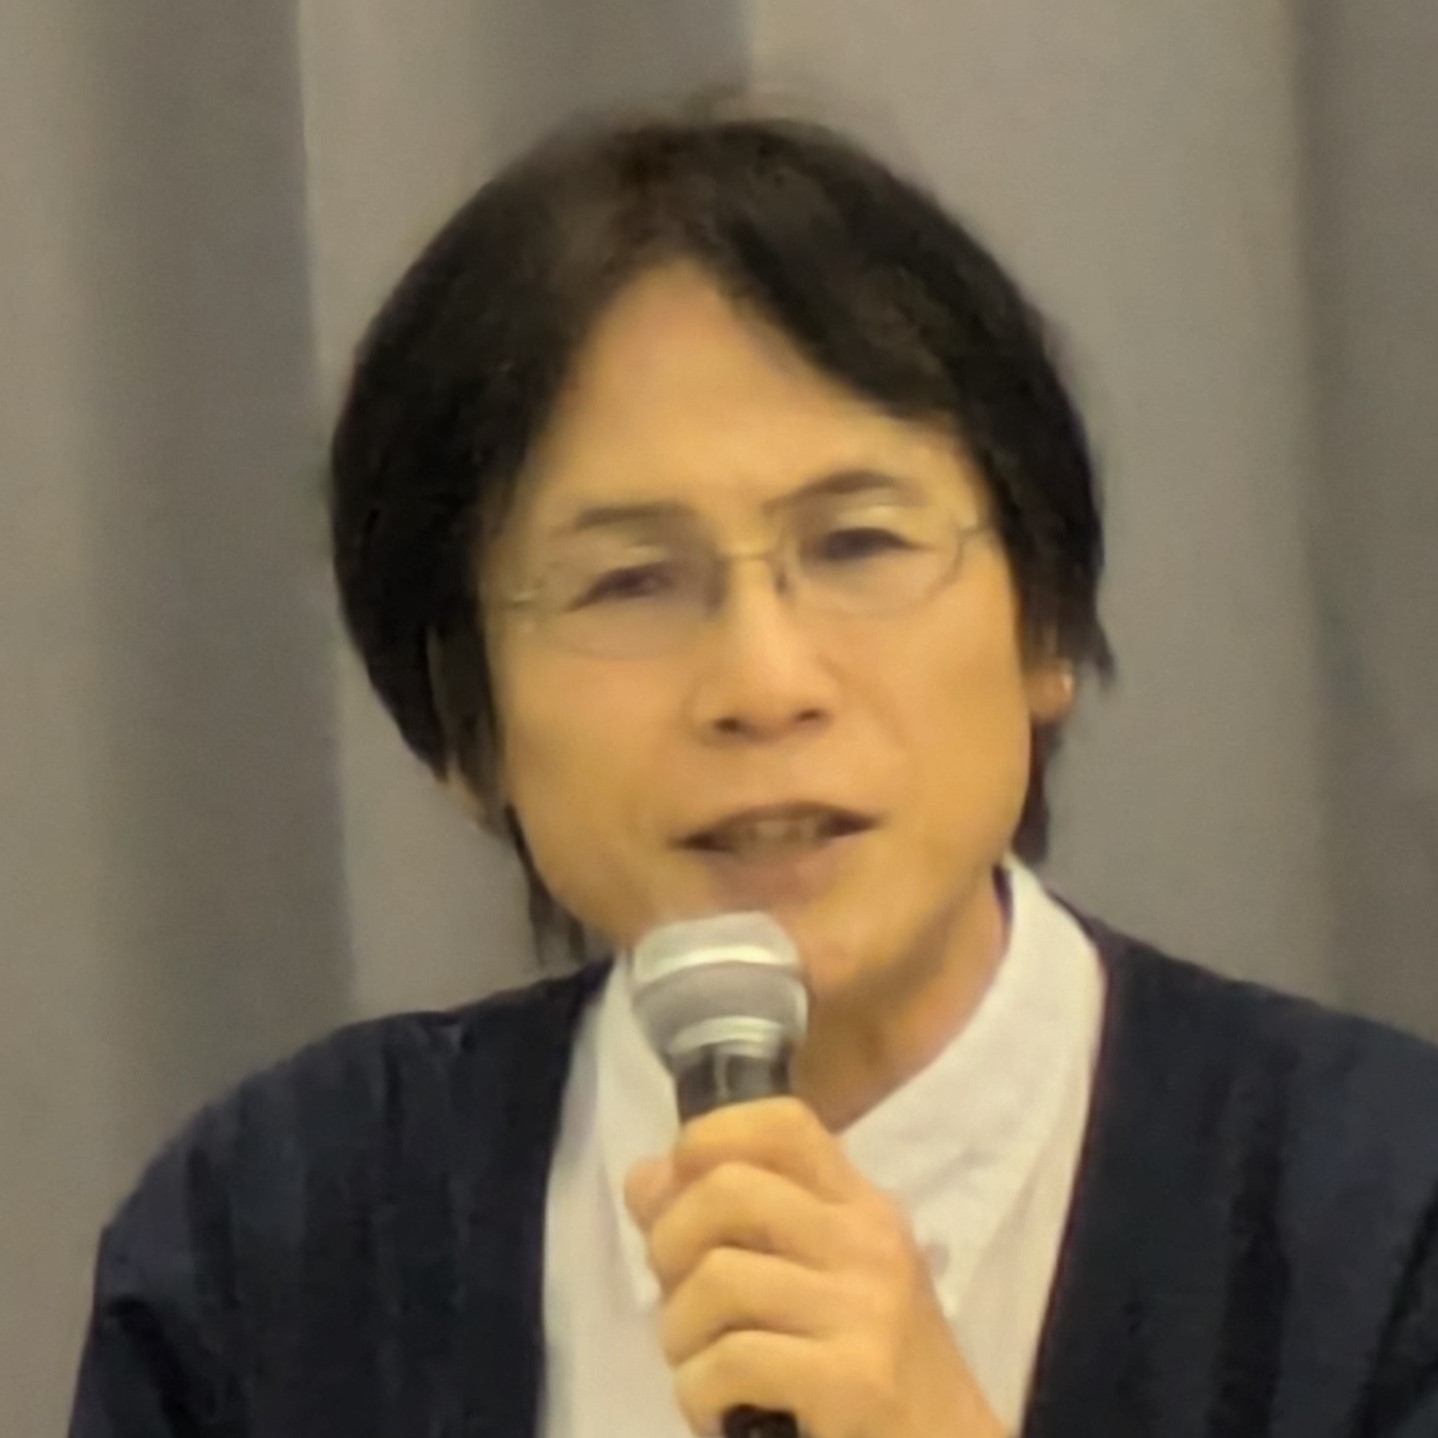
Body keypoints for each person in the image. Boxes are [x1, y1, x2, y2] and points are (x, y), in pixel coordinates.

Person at [69, 99, 1438, 1438]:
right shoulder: (275, 1239)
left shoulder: (1381, 1216)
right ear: (465, 722)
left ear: (1046, 627)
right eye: (628, 581)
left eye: (858, 546)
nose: (764, 684)